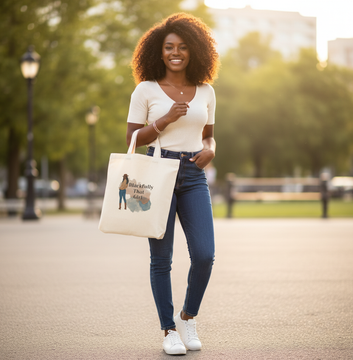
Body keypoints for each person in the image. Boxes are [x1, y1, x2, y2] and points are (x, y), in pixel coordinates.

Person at [126, 13, 219, 355]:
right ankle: (168, 330)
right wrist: (164, 119)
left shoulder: (207, 92)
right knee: (161, 259)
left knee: (205, 255)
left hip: (194, 175)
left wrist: (210, 152)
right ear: (159, 52)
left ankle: (187, 317)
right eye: (168, 47)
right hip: (157, 172)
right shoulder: (146, 90)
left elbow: (209, 137)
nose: (175, 52)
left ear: (195, 50)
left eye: (182, 47)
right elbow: (132, 138)